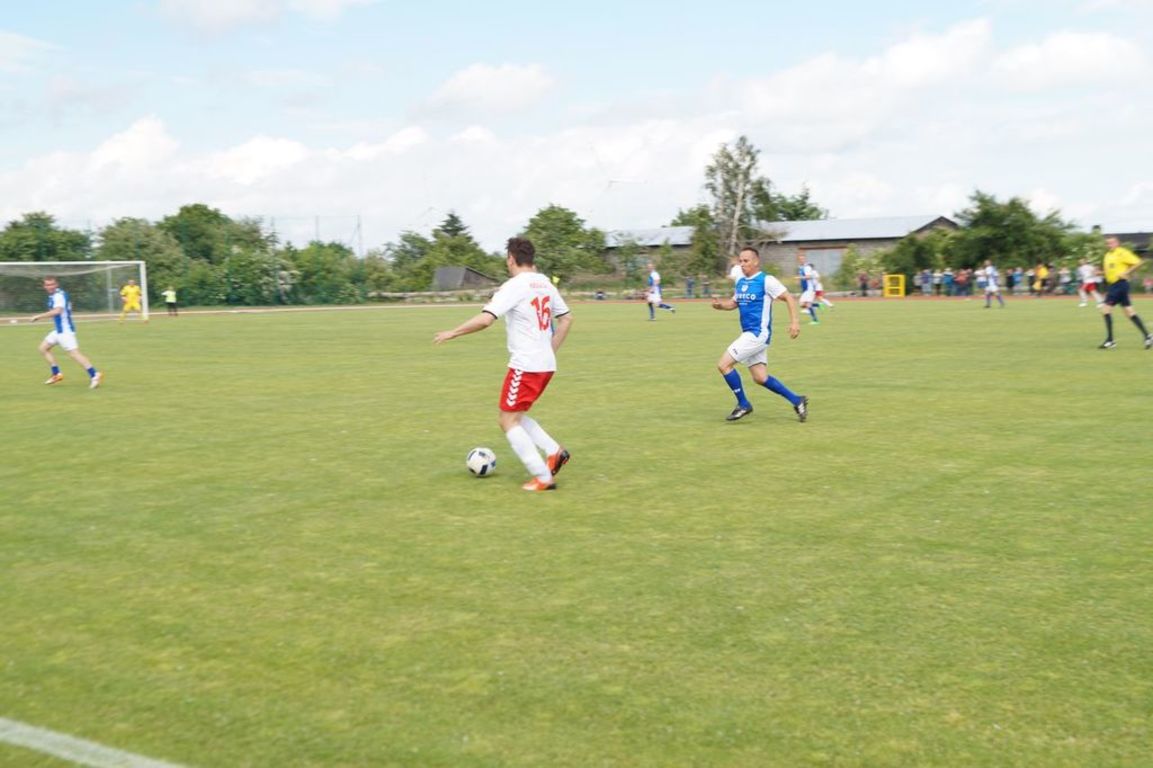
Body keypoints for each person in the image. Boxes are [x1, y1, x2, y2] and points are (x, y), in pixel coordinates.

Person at [434, 237, 573, 491]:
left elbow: (486, 320)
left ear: (511, 259)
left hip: (526, 365)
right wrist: (549, 350)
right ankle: (555, 451)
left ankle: (543, 477)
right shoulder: (545, 283)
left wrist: (453, 332)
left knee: (507, 421)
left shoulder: (513, 286)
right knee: (516, 415)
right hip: (545, 365)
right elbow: (566, 319)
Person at [712, 247, 807, 423]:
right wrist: (720, 306)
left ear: (756, 262)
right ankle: (797, 400)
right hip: (749, 334)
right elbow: (734, 303)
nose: (742, 264)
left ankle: (743, 404)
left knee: (724, 365)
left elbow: (788, 297)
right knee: (760, 378)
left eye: (746, 261)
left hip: (757, 334)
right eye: (740, 261)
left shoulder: (766, 280)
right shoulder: (740, 281)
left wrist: (795, 322)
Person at [29, 276, 103, 389]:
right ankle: (56, 374)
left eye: (52, 284)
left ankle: (94, 374)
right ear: (44, 286)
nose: (50, 287)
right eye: (47, 285)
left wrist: (38, 316)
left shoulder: (59, 296)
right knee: (43, 348)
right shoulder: (55, 295)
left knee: (74, 354)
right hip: (59, 331)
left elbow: (57, 311)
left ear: (56, 284)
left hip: (65, 331)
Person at [1098, 236, 1151, 349]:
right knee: (1129, 312)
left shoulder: (1122, 252)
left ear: (1117, 243)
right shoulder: (1107, 255)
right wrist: (1100, 273)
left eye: (1111, 243)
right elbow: (1110, 271)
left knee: (1105, 309)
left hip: (1119, 284)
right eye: (1107, 243)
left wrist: (1127, 272)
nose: (1109, 245)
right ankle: (1147, 336)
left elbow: (1138, 262)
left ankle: (1110, 340)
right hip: (1114, 285)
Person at [797, 253, 819, 324]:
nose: (801, 260)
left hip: (809, 289)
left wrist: (800, 278)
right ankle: (817, 305)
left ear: (805, 259)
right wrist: (799, 281)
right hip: (805, 289)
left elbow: (809, 277)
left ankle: (815, 320)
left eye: (802, 259)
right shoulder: (800, 268)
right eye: (800, 259)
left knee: (807, 304)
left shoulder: (807, 267)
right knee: (802, 304)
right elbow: (803, 277)